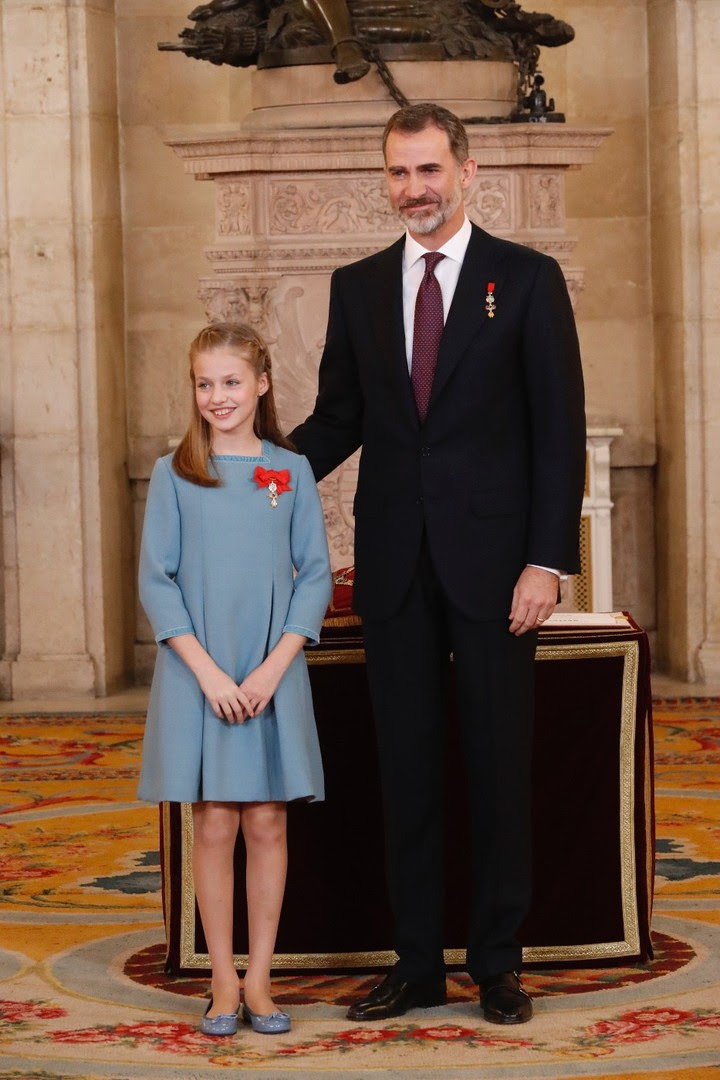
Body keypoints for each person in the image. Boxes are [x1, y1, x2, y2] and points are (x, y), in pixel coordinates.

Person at [291, 103, 586, 1025]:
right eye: (396, 173)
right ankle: (417, 962)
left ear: (464, 169)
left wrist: (547, 561)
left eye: (427, 170)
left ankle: (498, 961)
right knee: (406, 767)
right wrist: (260, 475)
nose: (412, 189)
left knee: (498, 765)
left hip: (500, 571)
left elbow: (558, 432)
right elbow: (339, 417)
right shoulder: (357, 285)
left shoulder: (526, 281)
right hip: (394, 565)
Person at [138, 323, 331, 1036]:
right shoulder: (174, 475)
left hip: (271, 673)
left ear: (262, 384)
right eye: (204, 383)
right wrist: (213, 674)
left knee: (267, 821)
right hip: (201, 675)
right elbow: (157, 582)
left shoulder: (291, 471)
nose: (217, 396)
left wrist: (275, 667)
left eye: (230, 381)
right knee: (215, 821)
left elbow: (313, 576)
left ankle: (258, 978)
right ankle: (219, 977)